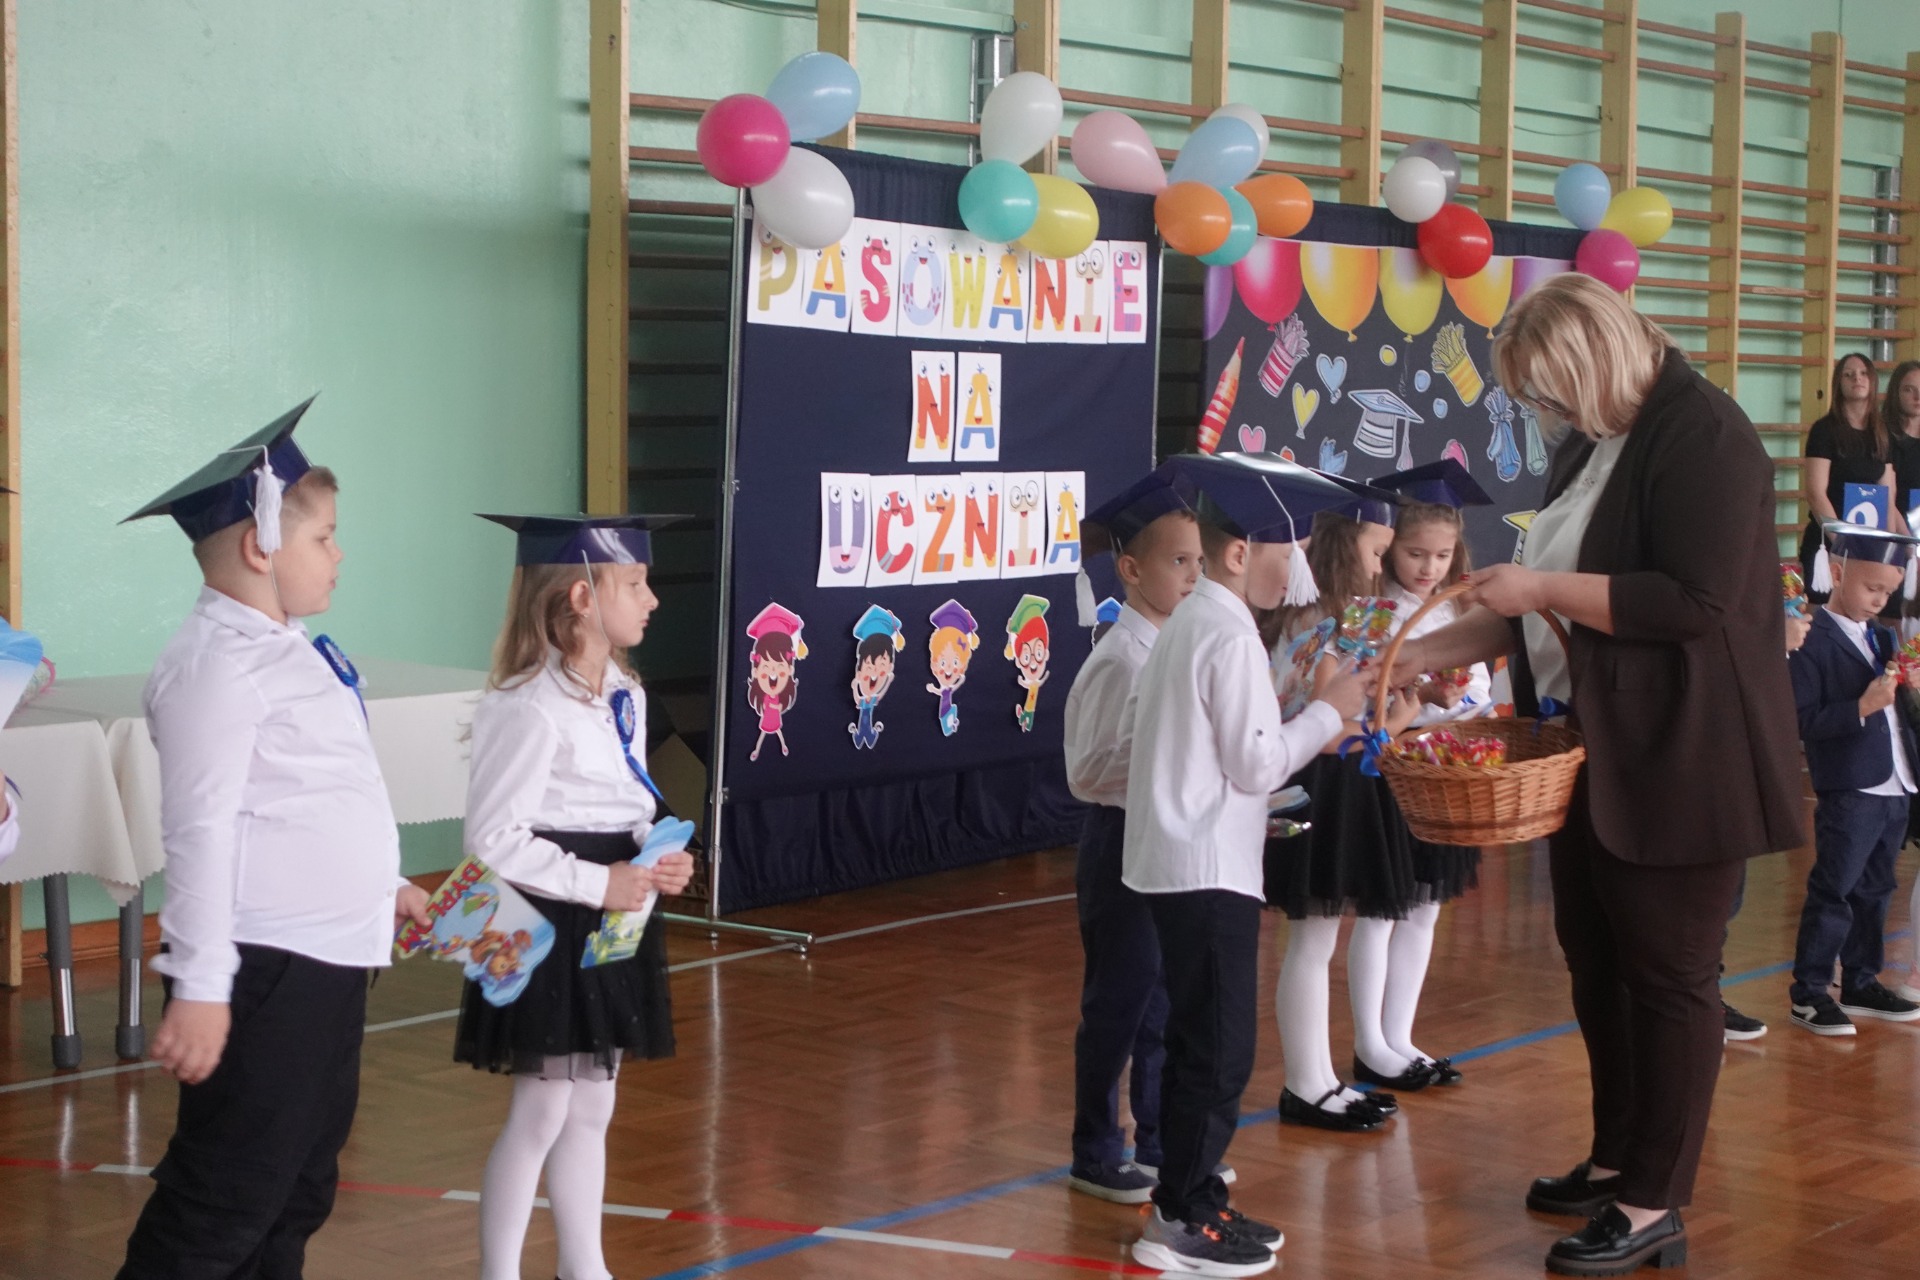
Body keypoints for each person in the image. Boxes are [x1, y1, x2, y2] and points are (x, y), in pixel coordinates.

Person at [1391, 275, 1801, 1277]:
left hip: (1683, 749)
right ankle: (1618, 1155)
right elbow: (1543, 612)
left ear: (1595, 360)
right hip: (1590, 741)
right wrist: (1414, 656)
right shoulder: (1592, 439)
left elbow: (1692, 602)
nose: (1546, 412)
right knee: (1596, 958)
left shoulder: (1706, 435)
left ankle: (1654, 1199)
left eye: (1550, 390)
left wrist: (1536, 583)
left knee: (1669, 975)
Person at [114, 399, 431, 1278]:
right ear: (261, 545)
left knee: (299, 1188)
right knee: (226, 1196)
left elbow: (321, 796)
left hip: (328, 957)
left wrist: (386, 887)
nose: (338, 554)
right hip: (267, 966)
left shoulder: (287, 649)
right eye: (324, 537)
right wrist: (200, 985)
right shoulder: (213, 667)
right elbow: (200, 830)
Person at [1122, 452, 1367, 1277]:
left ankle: (1194, 1198)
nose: (1296, 572)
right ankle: (1179, 1221)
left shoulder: (1202, 623)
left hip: (1192, 860)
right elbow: (1257, 762)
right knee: (1218, 1051)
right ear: (1239, 553)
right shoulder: (1224, 632)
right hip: (1203, 869)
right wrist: (1329, 713)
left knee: (1206, 1041)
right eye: (1286, 552)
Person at [460, 513, 698, 1280]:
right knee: (541, 1109)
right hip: (549, 910)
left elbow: (625, 803)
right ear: (582, 598)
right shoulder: (528, 704)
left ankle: (582, 1265)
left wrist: (657, 853)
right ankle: (499, 1271)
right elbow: (491, 837)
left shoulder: (624, 690)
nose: (652, 600)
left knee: (593, 1104)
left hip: (614, 906)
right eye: (636, 583)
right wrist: (600, 882)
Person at [1061, 474, 1202, 1204]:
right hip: (1120, 838)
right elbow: (1087, 770)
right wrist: (1167, 750)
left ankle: (1156, 1140)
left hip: (1162, 837)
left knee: (1161, 1002)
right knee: (1116, 1002)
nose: (1194, 576)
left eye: (1199, 561)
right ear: (1132, 569)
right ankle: (1094, 1150)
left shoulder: (1173, 648)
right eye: (1178, 561)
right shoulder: (1121, 659)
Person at [1262, 494, 1422, 1132]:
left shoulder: (1315, 618)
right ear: (1343, 547)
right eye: (1376, 552)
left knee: (1318, 938)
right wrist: (1394, 724)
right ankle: (1307, 1083)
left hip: (1324, 777)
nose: (1381, 566)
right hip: (1318, 782)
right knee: (1313, 937)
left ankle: (1320, 1078)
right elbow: (1326, 727)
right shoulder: (1326, 623)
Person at [1349, 459, 1497, 1089]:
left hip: (1442, 775)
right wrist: (1422, 695)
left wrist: (1459, 697)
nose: (1428, 568)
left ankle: (1400, 1037)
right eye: (1415, 553)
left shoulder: (1456, 607)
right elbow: (1361, 693)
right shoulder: (1374, 611)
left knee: (1424, 909)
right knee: (1382, 909)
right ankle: (1369, 1042)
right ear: (1390, 548)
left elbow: (1481, 685)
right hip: (1391, 772)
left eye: (1441, 555)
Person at [1785, 524, 1920, 1035]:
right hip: (1851, 786)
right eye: (1872, 588)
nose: (1880, 600)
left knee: (1876, 888)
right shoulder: (1809, 641)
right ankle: (1809, 992)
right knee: (1835, 889)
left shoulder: (1883, 636)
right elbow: (1801, 721)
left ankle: (1861, 980)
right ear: (1837, 574)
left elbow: (1899, 713)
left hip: (1895, 783)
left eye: (1889, 591)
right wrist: (1861, 706)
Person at [1802, 352, 1899, 597]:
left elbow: (1887, 497)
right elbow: (1815, 493)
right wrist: (1842, 543)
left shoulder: (1881, 432)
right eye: (1849, 374)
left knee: (1865, 612)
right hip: (1829, 542)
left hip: (1868, 547)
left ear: (1873, 381)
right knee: (1822, 612)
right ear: (1839, 383)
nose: (1857, 378)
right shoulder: (1824, 430)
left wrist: (1886, 547)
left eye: (1864, 373)